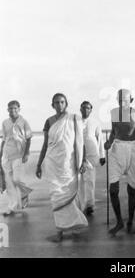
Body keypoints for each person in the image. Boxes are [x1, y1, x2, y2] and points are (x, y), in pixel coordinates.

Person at [36, 93, 88, 242]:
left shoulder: (74, 119)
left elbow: (80, 142)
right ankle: (59, 230)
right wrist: (39, 164)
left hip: (69, 164)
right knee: (56, 197)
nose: (59, 105)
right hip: (52, 164)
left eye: (62, 102)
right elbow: (46, 144)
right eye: (56, 103)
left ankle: (75, 225)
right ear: (52, 105)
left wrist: (83, 160)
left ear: (66, 103)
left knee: (70, 195)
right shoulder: (49, 121)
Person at [104, 89, 135, 236]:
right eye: (120, 99)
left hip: (133, 150)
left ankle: (130, 222)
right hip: (117, 149)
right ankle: (119, 221)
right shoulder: (114, 113)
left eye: (126, 99)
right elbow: (113, 131)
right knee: (113, 190)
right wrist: (109, 143)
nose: (122, 102)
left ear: (131, 100)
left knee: (131, 189)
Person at [0, 100, 33, 215]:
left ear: (19, 109)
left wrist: (27, 153)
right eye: (10, 108)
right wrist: (0, 155)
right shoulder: (5, 122)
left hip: (19, 155)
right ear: (7, 110)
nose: (12, 110)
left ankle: (24, 194)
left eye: (15, 108)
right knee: (9, 182)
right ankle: (12, 207)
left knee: (17, 179)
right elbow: (4, 140)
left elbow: (29, 138)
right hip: (6, 155)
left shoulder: (24, 122)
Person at [77, 101, 105, 216]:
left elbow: (100, 138)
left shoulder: (95, 122)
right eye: (83, 108)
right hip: (78, 155)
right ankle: (81, 204)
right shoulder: (76, 122)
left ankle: (90, 205)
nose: (85, 110)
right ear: (80, 109)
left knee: (90, 181)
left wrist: (102, 155)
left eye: (88, 108)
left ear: (91, 110)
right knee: (79, 181)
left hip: (92, 155)